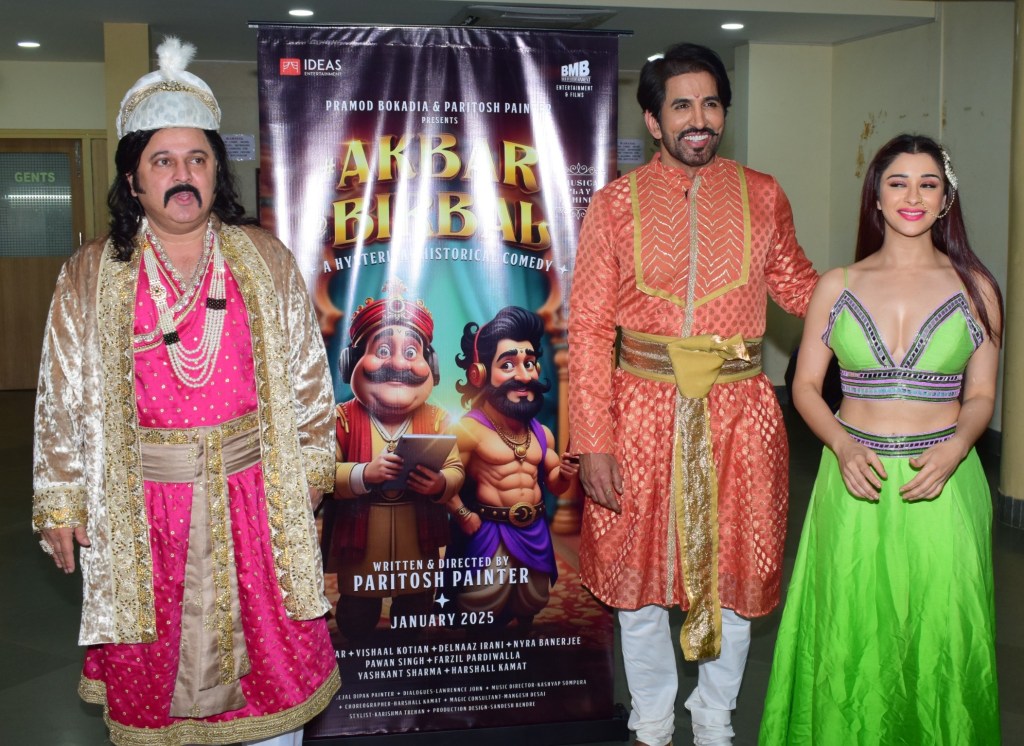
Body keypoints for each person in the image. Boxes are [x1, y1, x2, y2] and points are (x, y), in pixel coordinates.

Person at [32, 38, 339, 746]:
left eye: (197, 159)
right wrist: (61, 503)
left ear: (215, 171)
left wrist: (310, 474)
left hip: (255, 504)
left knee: (273, 687)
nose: (182, 176)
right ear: (133, 179)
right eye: (163, 161)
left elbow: (308, 378)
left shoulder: (263, 258)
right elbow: (58, 397)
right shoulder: (90, 273)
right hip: (144, 516)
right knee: (154, 695)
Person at [568, 42, 819, 746]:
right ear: (654, 121)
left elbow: (801, 287)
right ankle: (651, 719)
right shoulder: (615, 206)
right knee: (638, 577)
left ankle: (714, 716)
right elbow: (589, 328)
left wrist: (883, 291)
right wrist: (593, 440)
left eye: (711, 104)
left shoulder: (763, 194)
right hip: (639, 412)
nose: (698, 119)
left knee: (735, 573)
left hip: (739, 416)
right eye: (681, 106)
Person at [759, 134, 1003, 744]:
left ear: (945, 199)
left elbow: (980, 395)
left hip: (944, 482)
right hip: (853, 482)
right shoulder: (837, 285)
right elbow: (805, 387)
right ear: (876, 196)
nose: (913, 196)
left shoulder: (977, 288)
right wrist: (842, 446)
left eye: (928, 184)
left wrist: (958, 447)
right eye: (898, 183)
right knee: (848, 636)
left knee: (943, 635)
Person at [326, 283, 464, 638]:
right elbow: (323, 472)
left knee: (414, 610)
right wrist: (363, 473)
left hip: (416, 531)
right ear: (351, 362)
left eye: (411, 352)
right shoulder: (341, 419)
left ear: (431, 367)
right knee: (356, 616)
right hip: (362, 532)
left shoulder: (437, 418)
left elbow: (455, 468)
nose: (399, 364)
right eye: (383, 350)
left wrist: (441, 484)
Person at [447, 306, 578, 627]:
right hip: (489, 532)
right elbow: (446, 481)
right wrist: (463, 515)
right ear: (479, 373)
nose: (523, 376)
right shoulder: (470, 430)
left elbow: (554, 484)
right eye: (507, 365)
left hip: (533, 530)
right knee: (482, 603)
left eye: (529, 363)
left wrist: (565, 473)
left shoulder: (541, 433)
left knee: (530, 600)